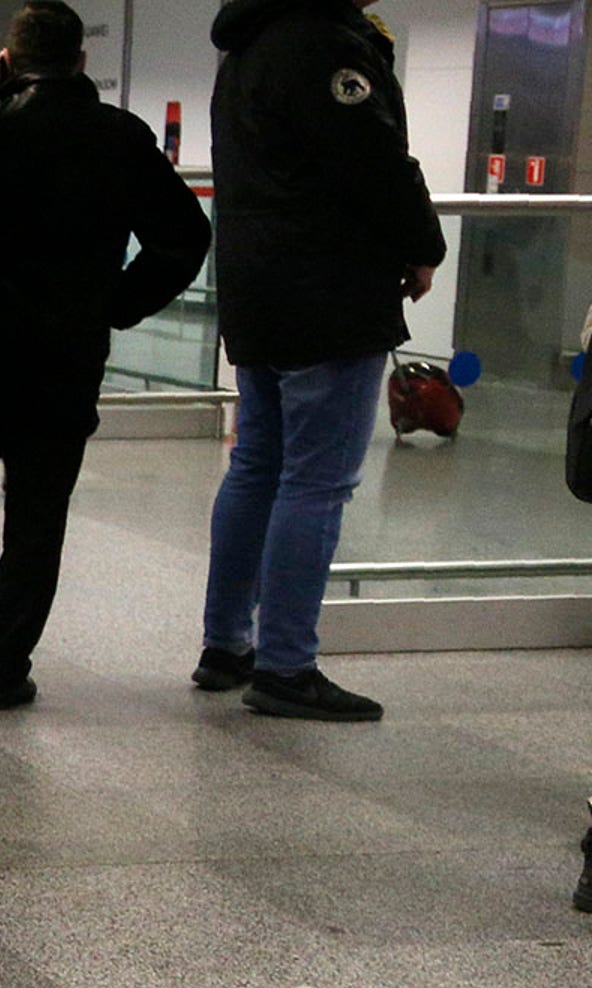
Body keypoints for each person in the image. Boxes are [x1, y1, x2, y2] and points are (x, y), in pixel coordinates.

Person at [0, 2, 211, 710]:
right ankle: (6, 669)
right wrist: (116, 303)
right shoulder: (120, 136)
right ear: (82, 60)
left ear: (10, 58)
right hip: (63, 353)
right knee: (38, 516)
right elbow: (185, 235)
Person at [194, 0, 444, 720]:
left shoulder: (246, 47)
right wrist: (423, 243)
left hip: (260, 288)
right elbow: (371, 161)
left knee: (258, 465)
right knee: (316, 480)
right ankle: (286, 666)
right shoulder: (322, 47)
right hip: (325, 292)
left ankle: (226, 645)